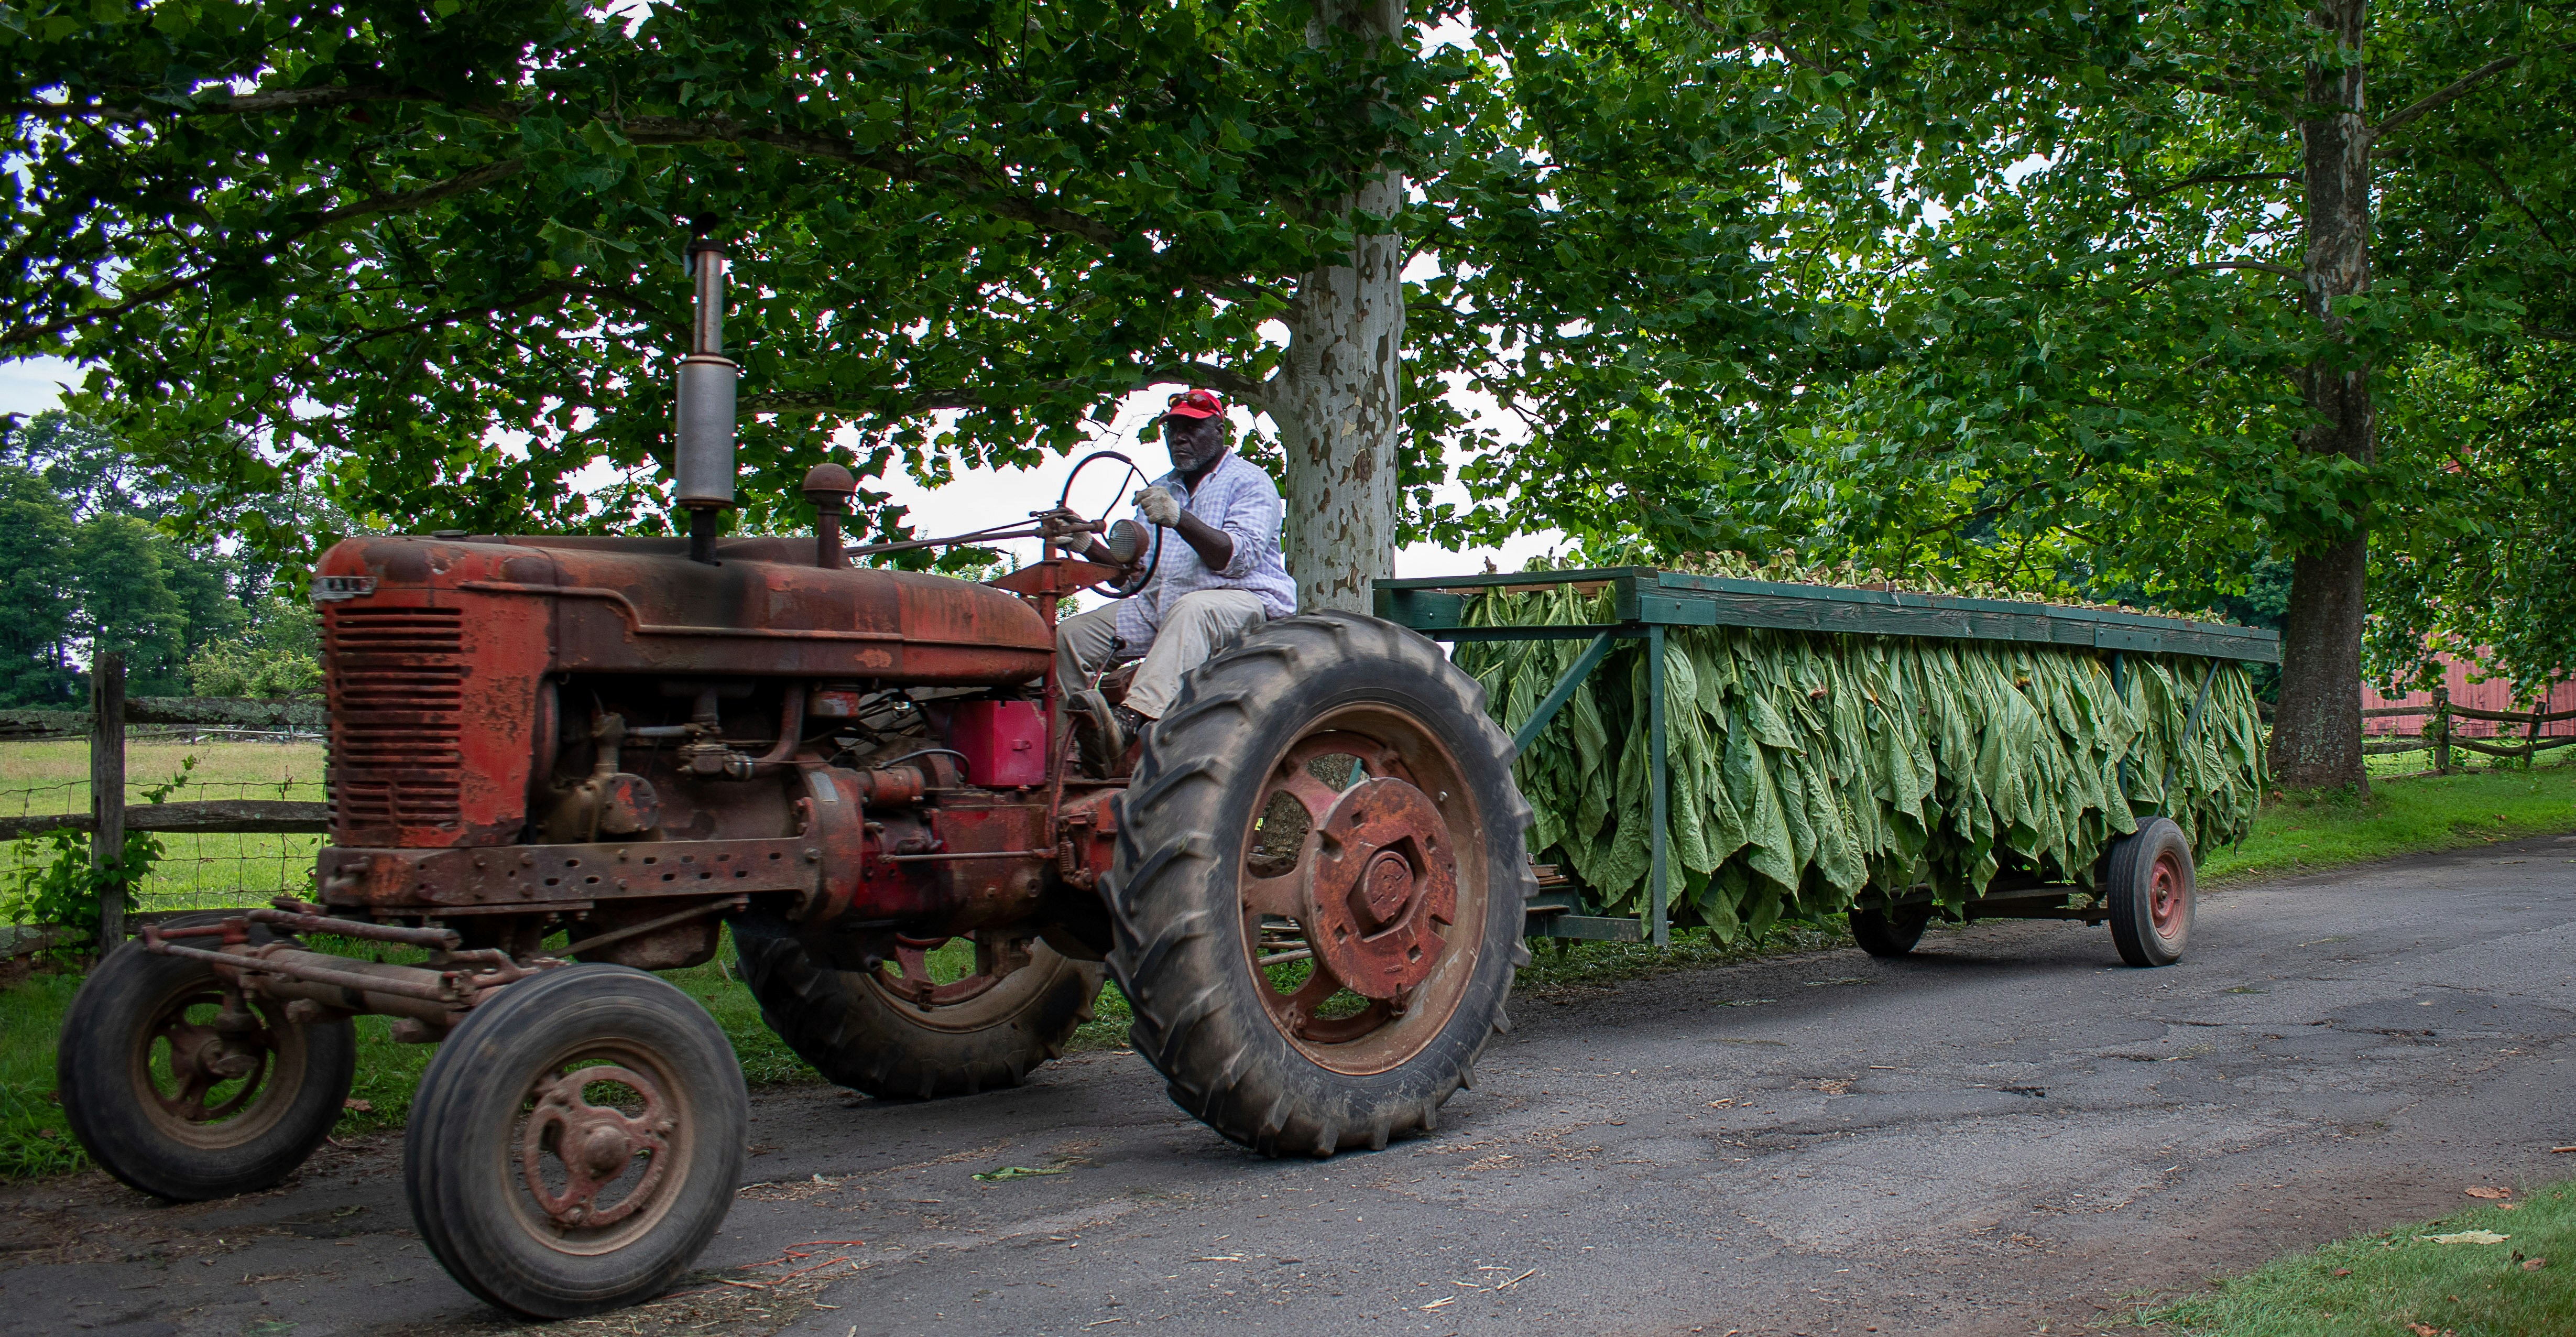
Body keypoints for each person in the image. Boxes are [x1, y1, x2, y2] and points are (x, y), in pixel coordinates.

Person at [1056, 388, 1297, 774]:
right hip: (1161, 604)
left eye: (1191, 428)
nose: (1179, 437)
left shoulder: (1251, 481)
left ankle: (1127, 723)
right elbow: (1133, 573)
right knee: (1069, 637)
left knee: (1191, 610)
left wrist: (1178, 518)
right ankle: (1070, 755)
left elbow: (1234, 559)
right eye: (1172, 430)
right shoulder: (1162, 487)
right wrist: (1085, 544)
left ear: (1220, 430)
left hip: (1238, 602)